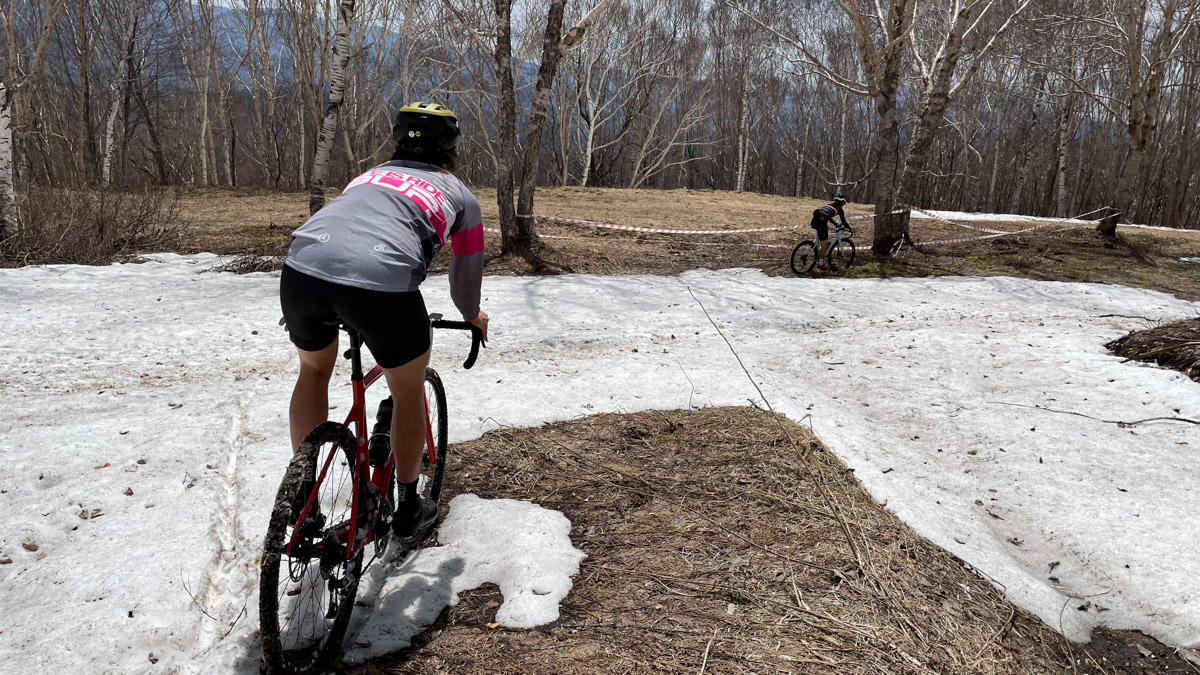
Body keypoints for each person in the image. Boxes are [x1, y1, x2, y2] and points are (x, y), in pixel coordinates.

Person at [279, 102, 488, 538]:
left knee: (314, 369)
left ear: (397, 140)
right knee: (407, 388)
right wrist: (472, 316)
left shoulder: (367, 176)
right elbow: (464, 281)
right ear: (452, 149)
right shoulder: (462, 198)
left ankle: (303, 492)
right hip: (380, 283)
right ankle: (409, 505)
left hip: (301, 271)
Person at [810, 194, 850, 270]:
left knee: (824, 231)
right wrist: (850, 229)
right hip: (822, 219)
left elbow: (827, 215)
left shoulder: (829, 205)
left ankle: (815, 247)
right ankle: (821, 263)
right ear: (842, 202)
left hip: (816, 217)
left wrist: (835, 224)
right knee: (824, 242)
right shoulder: (840, 209)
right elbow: (844, 222)